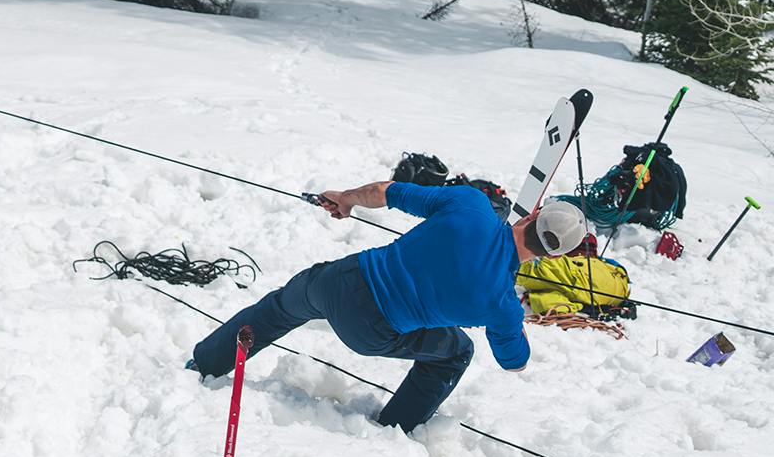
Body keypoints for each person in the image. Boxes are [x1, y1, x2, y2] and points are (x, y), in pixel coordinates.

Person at [188, 181, 588, 431]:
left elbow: (385, 192)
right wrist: (512, 321)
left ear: (533, 214)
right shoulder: (501, 302)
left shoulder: (470, 204)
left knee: (278, 309)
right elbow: (514, 362)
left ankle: (205, 363)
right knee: (457, 351)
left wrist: (346, 200)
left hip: (340, 283)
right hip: (372, 333)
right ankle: (393, 429)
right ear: (553, 257)